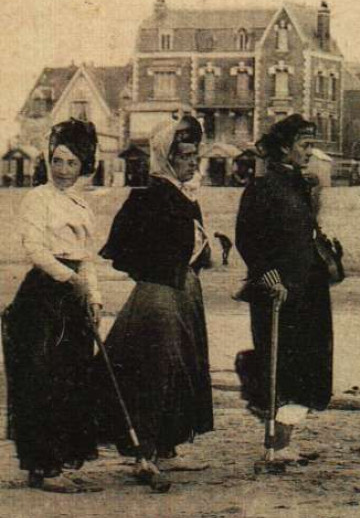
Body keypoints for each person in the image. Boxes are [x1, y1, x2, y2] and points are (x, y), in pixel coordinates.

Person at [98, 115, 215, 491]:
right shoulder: (147, 195)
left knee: (182, 367)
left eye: (196, 155)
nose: (193, 162)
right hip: (159, 297)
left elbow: (195, 248)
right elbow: (120, 249)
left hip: (184, 294)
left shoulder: (187, 196)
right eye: (185, 156)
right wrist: (154, 272)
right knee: (152, 369)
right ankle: (142, 452)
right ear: (167, 157)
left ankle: (164, 446)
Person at [2, 120, 104, 491]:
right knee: (41, 378)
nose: (62, 170)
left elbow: (87, 258)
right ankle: (41, 466)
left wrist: (94, 297)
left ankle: (56, 462)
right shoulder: (37, 199)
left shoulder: (81, 204)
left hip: (74, 297)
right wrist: (69, 279)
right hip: (43, 296)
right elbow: (35, 249)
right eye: (57, 161)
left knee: (72, 378)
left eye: (71, 164)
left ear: (83, 167)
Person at [235, 114, 335, 467]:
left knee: (307, 366)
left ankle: (284, 442)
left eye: (311, 145)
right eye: (304, 146)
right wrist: (270, 278)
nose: (310, 152)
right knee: (278, 366)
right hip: (277, 293)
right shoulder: (262, 188)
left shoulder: (301, 185)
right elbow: (247, 240)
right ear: (284, 148)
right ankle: (272, 445)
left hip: (308, 291)